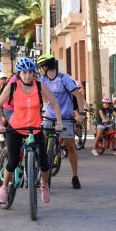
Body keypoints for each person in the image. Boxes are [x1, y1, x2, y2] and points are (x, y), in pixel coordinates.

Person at [0, 58, 63, 204]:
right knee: (12, 161)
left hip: (35, 128)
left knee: (44, 163)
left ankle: (44, 186)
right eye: (24, 72)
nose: (27, 75)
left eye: (30, 72)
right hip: (16, 128)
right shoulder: (12, 86)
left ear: (34, 73)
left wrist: (59, 122)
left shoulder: (40, 86)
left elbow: (55, 104)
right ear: (19, 74)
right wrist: (0, 124)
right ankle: (4, 187)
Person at [36, 54, 87, 189]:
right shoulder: (43, 80)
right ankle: (38, 175)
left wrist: (81, 113)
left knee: (70, 146)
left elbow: (78, 95)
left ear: (45, 66)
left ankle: (75, 176)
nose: (40, 69)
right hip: (50, 116)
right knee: (41, 142)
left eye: (41, 67)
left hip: (65, 117)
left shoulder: (64, 78)